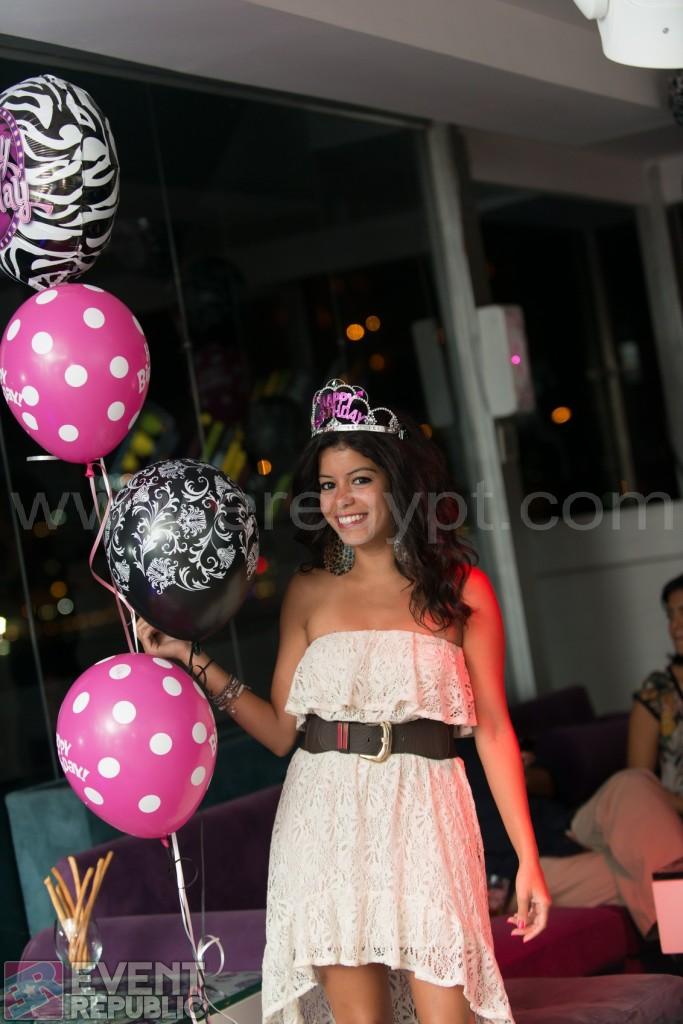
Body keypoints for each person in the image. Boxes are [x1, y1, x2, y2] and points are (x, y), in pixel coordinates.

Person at [137, 378, 549, 1024]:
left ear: (397, 486)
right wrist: (192, 659)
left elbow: (493, 730)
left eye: (360, 480)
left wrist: (527, 859)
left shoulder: (461, 589)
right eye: (328, 486)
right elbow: (281, 733)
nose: (342, 501)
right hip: (323, 818)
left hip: (427, 813)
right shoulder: (308, 592)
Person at [540, 573, 683, 938]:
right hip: (649, 815)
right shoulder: (658, 693)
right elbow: (640, 787)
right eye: (670, 615)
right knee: (633, 789)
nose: (676, 626)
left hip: (637, 841)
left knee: (626, 869)